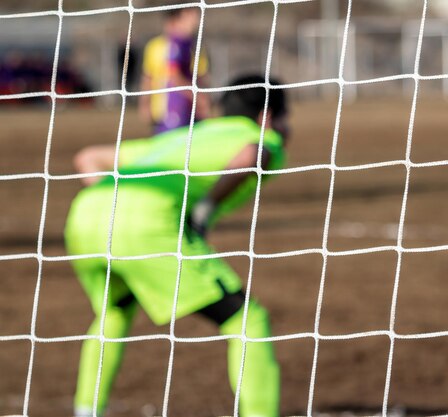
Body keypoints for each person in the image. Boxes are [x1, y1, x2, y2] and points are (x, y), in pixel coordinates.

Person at [66, 75, 287, 417]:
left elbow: (87, 158)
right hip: (147, 226)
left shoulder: (185, 137)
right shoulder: (259, 135)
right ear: (267, 116)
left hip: (86, 215)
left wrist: (118, 203)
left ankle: (86, 410)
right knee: (247, 320)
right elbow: (252, 154)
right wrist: (204, 209)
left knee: (114, 312)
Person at [140, 6, 211, 134]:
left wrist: (202, 101)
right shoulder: (157, 46)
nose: (196, 21)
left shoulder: (194, 47)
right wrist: (145, 104)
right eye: (191, 16)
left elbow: (200, 77)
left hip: (190, 111)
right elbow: (151, 77)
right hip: (167, 112)